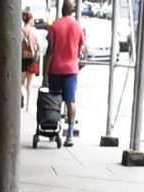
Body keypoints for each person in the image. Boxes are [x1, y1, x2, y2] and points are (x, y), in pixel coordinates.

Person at [44, 0, 85, 144]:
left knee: (54, 101)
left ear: (62, 9)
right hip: (71, 70)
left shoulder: (54, 26)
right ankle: (70, 135)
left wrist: (45, 74)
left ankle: (53, 130)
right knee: (70, 101)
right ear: (72, 11)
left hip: (56, 69)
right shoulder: (78, 27)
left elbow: (50, 51)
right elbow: (80, 48)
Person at [21, 7, 43, 107]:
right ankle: (27, 104)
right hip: (31, 59)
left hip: (22, 59)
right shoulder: (34, 31)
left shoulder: (20, 31)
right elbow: (39, 46)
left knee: (21, 83)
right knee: (29, 83)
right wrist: (36, 53)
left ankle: (21, 98)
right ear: (29, 19)